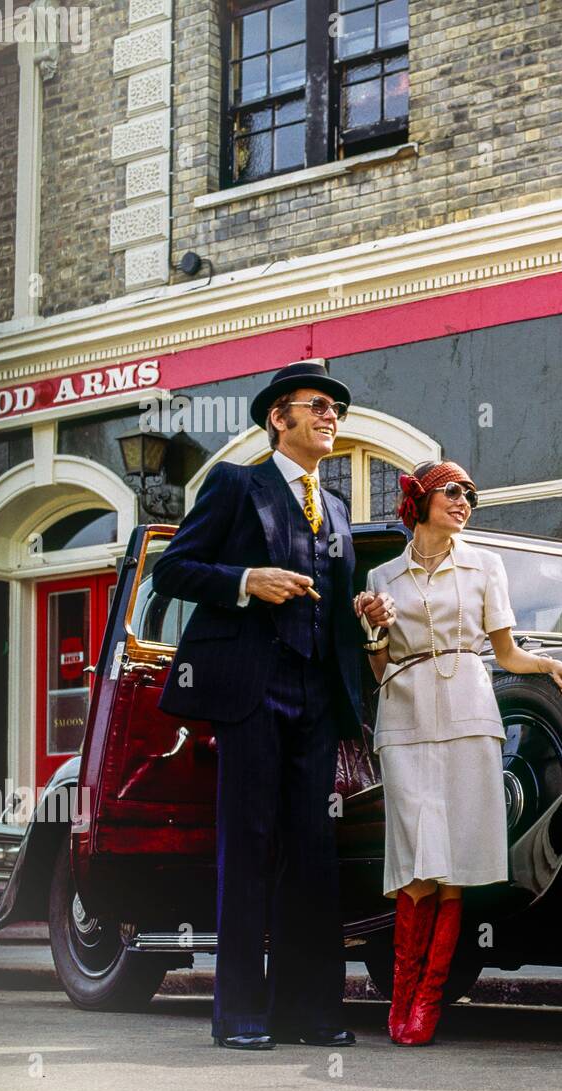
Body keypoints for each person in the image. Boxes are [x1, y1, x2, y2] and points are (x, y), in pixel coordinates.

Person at [154, 359, 395, 1050]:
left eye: (337, 410)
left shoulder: (341, 509)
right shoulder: (237, 485)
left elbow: (338, 613)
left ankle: (312, 1011)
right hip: (252, 690)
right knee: (249, 847)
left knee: (313, 854)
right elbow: (172, 570)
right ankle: (239, 1013)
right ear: (277, 418)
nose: (332, 418)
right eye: (318, 405)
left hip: (318, 695)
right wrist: (245, 579)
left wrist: (364, 612)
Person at [363, 460, 562, 1045]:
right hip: (404, 718)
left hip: (468, 714)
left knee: (454, 866)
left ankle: (427, 1003)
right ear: (420, 500)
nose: (465, 502)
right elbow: (379, 666)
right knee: (415, 866)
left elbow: (507, 654)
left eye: (471, 496)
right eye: (453, 493)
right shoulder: (383, 579)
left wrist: (552, 663)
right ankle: (401, 994)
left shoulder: (486, 566)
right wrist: (373, 632)